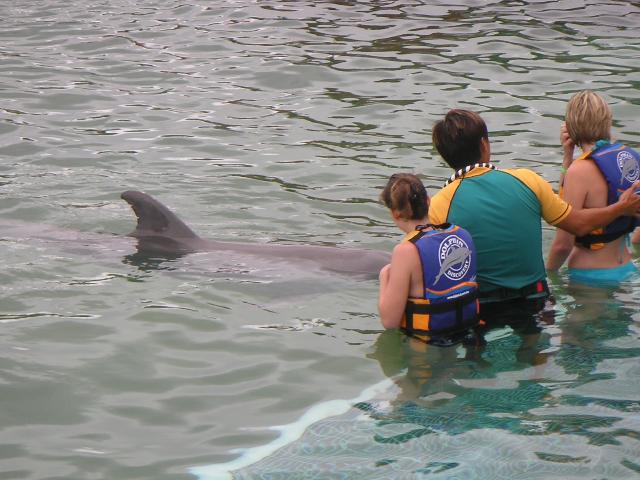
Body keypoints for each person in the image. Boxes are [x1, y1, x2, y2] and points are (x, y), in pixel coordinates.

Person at [428, 109, 640, 322]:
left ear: (445, 156)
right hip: (534, 300)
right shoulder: (527, 180)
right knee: (537, 340)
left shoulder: (438, 206)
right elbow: (579, 224)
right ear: (484, 144)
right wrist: (620, 208)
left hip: (483, 308)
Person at [546, 90, 640, 284]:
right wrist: (567, 157)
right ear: (607, 121)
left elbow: (563, 244)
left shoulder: (579, 171)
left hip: (590, 277)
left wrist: (547, 276)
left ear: (571, 127)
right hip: (627, 268)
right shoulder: (629, 158)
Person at [378, 173, 480, 346]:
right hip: (468, 333)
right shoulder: (463, 234)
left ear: (394, 213)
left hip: (428, 344)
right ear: (428, 201)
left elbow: (389, 322)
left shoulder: (405, 251)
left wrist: (383, 277)